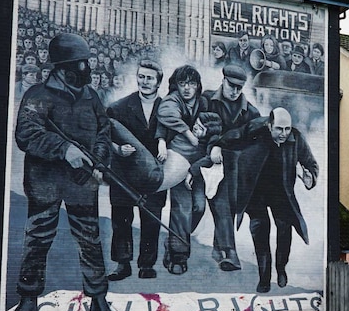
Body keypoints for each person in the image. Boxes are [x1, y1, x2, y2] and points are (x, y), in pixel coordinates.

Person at [7, 32, 118, 311]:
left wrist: (97, 161)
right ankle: (27, 303)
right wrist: (64, 149)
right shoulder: (38, 94)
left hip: (82, 183)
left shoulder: (90, 96)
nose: (87, 68)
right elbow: (26, 133)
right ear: (64, 66)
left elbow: (103, 131)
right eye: (81, 63)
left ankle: (98, 302)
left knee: (90, 242)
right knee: (37, 240)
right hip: (46, 184)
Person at [214, 107, 318, 293]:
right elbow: (234, 136)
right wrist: (216, 146)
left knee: (285, 230)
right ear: (269, 125)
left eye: (287, 129)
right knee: (260, 231)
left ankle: (281, 268)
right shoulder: (255, 130)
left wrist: (310, 176)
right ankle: (264, 277)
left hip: (281, 192)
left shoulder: (295, 138)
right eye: (279, 129)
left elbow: (310, 162)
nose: (284, 134)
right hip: (255, 191)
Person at [106, 60, 168, 281]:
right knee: (121, 218)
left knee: (151, 218)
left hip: (154, 174)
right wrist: (117, 149)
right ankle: (123, 264)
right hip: (124, 172)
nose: (144, 81)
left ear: (159, 82)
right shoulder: (118, 107)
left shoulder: (168, 108)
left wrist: (164, 144)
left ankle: (147, 264)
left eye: (150, 78)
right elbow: (103, 137)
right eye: (141, 76)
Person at [204, 64, 261, 271]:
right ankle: (230, 253)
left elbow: (257, 141)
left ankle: (219, 249)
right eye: (231, 86)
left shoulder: (251, 112)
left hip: (236, 169)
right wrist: (213, 147)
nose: (235, 91)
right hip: (208, 163)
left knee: (226, 205)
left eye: (239, 87)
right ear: (223, 80)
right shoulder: (207, 100)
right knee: (222, 204)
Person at [155, 65, 209, 274]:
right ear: (176, 85)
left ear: (198, 85)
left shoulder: (204, 103)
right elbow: (164, 119)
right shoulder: (172, 100)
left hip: (199, 164)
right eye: (182, 83)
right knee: (182, 208)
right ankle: (178, 256)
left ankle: (175, 240)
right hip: (178, 159)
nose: (187, 88)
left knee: (199, 208)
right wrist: (161, 140)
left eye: (192, 83)